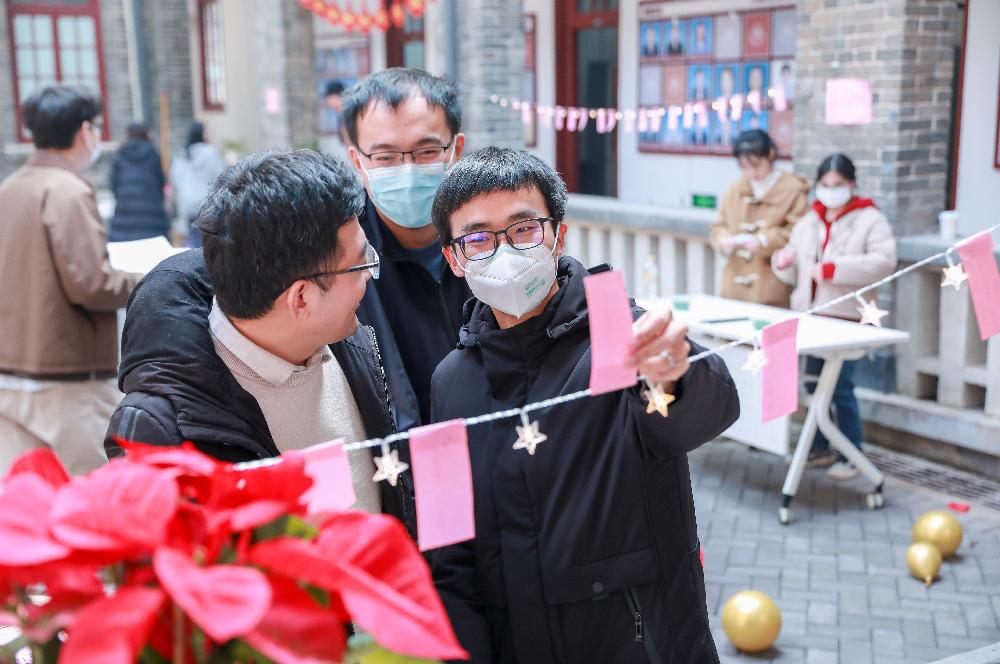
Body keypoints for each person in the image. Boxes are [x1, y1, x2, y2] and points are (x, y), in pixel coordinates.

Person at [426, 147, 740, 663]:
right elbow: (449, 549)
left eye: (524, 229)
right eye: (478, 238)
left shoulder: (624, 336)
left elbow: (707, 412)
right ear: (454, 259)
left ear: (558, 235)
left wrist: (677, 376)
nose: (505, 251)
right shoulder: (450, 382)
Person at [104, 149, 414, 530]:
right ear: (301, 299)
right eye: (360, 264)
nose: (369, 276)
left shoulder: (348, 343)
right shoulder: (163, 429)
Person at [0, 86, 141, 475]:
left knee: (29, 494)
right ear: (84, 131)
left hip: (10, 371)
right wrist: (149, 279)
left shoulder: (10, 188)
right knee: (95, 491)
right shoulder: (69, 191)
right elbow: (91, 284)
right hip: (67, 376)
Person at [343, 68, 471, 433]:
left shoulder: (491, 234)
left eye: (427, 151)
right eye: (385, 157)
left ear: (456, 150)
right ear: (358, 161)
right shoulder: (335, 259)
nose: (408, 170)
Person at [772, 153, 896, 480]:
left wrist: (834, 269)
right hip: (810, 314)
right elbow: (795, 270)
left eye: (837, 184)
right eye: (825, 185)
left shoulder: (870, 219)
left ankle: (852, 453)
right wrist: (783, 263)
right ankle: (819, 448)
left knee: (840, 387)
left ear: (852, 184)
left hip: (846, 316)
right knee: (814, 385)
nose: (830, 191)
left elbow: (884, 262)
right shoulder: (809, 220)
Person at [709, 129, 809, 306]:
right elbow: (719, 225)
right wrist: (723, 239)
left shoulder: (793, 189)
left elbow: (799, 231)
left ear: (770, 155)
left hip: (771, 283)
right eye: (744, 166)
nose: (751, 172)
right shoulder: (735, 189)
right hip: (734, 283)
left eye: (756, 165)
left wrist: (765, 240)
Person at [108, 123, 170, 242]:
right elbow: (160, 183)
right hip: (152, 214)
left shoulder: (120, 155)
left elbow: (114, 185)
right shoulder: (153, 154)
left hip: (125, 212)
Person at [170, 122, 227, 248]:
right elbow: (221, 176)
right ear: (202, 134)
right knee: (209, 238)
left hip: (187, 202)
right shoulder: (211, 153)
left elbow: (175, 178)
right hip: (207, 202)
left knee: (194, 236)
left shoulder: (181, 155)